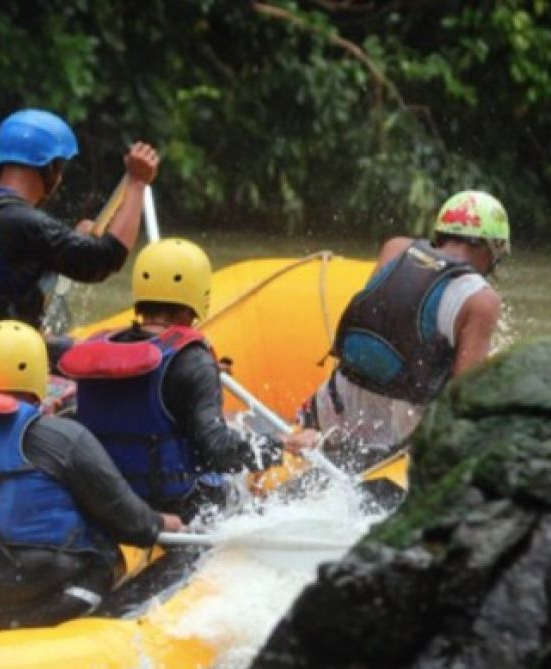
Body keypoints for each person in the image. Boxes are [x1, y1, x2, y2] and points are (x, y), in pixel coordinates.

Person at [0, 320, 184, 634]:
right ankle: (93, 635)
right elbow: (132, 523)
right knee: (102, 553)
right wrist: (167, 523)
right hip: (18, 603)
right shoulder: (61, 436)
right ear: (39, 376)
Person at [59, 239, 319, 522]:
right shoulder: (192, 361)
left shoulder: (100, 348)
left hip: (109, 499)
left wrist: (203, 374)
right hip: (179, 505)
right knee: (250, 489)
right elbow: (219, 452)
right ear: (198, 295)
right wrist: (281, 444)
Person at [300, 190, 509, 467]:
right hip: (395, 430)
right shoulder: (482, 300)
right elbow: (462, 398)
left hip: (332, 405)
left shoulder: (396, 248)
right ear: (491, 248)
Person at [0, 108, 159, 329]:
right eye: (60, 167)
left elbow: (29, 255)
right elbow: (105, 257)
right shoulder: (23, 221)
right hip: (3, 350)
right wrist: (138, 183)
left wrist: (75, 239)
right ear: (51, 166)